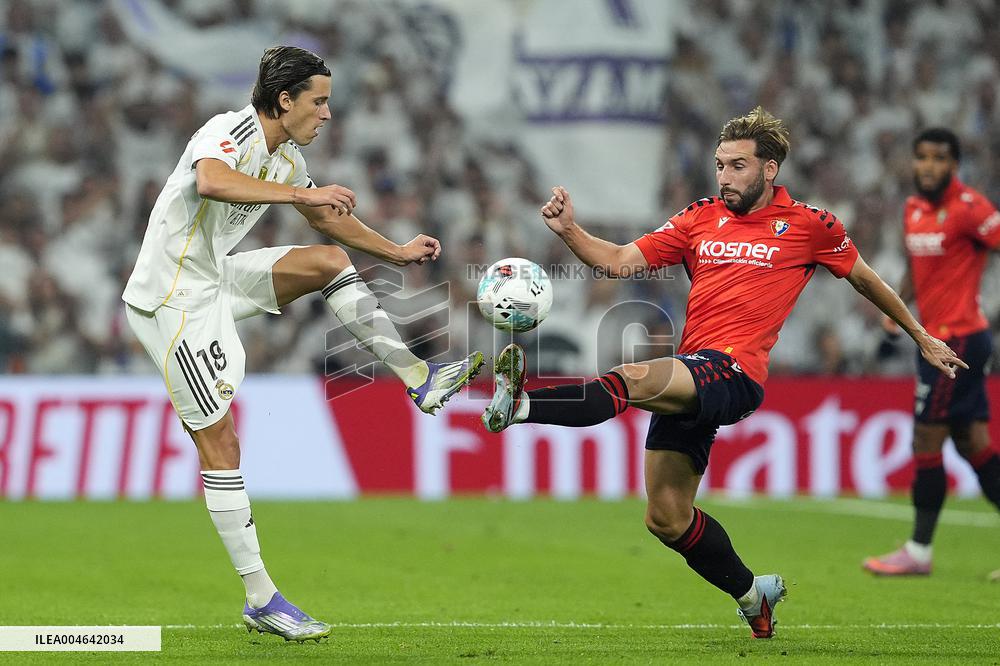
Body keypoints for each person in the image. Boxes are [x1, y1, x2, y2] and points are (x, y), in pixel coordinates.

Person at [480, 107, 965, 639]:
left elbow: (867, 280)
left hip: (735, 373)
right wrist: (569, 229)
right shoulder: (699, 218)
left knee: (635, 377)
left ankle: (521, 404)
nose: (725, 177)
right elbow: (619, 260)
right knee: (665, 516)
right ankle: (754, 594)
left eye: (737, 166)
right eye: (719, 166)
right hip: (695, 370)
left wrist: (921, 335)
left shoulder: (810, 225)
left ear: (770, 168)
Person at [122, 46, 483, 642]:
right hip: (171, 300)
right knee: (220, 441)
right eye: (319, 102)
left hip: (213, 277)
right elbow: (211, 181)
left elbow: (327, 221)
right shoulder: (228, 131)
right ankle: (261, 597)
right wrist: (301, 196)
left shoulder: (285, 156)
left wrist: (396, 252)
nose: (328, 114)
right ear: (284, 100)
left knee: (327, 261)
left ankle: (420, 378)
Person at [863, 128, 1000, 578]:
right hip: (933, 337)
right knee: (974, 445)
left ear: (954, 164)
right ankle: (918, 551)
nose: (928, 166)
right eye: (921, 157)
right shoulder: (913, 208)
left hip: (957, 341)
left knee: (926, 441)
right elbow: (914, 266)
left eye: (939, 158)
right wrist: (898, 310)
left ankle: (919, 552)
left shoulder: (971, 209)